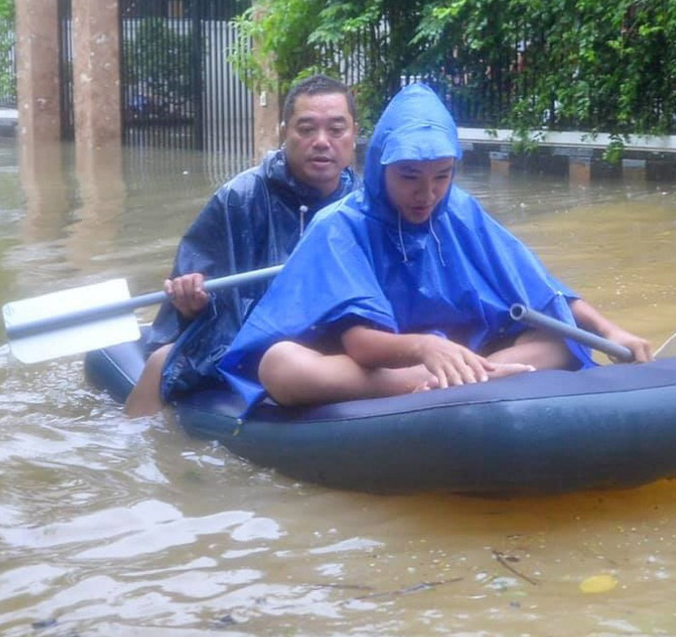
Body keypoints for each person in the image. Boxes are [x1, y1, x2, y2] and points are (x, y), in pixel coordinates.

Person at [218, 82, 652, 410]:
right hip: (388, 365)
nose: (426, 194)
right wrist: (427, 348)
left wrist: (610, 332)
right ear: (380, 166)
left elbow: (544, 294)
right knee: (282, 366)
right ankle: (459, 380)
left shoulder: (460, 211)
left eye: (441, 176)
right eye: (409, 176)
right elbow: (361, 344)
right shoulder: (340, 224)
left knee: (558, 339)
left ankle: (476, 374)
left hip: (470, 355)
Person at [125, 74, 359, 416]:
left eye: (336, 129)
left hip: (333, 343)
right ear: (283, 132)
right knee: (164, 362)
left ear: (354, 135)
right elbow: (190, 296)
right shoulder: (239, 197)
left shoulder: (367, 206)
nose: (322, 141)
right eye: (306, 129)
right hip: (243, 337)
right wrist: (190, 302)